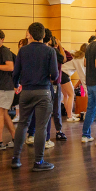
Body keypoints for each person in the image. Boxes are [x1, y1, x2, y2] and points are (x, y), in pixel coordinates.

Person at [11, 22, 59, 172]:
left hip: (26, 92)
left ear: (30, 34)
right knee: (41, 127)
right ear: (44, 35)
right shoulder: (50, 51)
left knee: (22, 124)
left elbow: (15, 73)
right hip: (43, 92)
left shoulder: (23, 51)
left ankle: (16, 159)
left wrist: (16, 84)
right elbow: (55, 75)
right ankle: (38, 162)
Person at [26, 29, 64, 146]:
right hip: (47, 85)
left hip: (30, 86)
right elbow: (62, 61)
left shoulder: (27, 50)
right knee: (49, 111)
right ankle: (46, 139)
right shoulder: (51, 51)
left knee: (33, 112)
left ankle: (32, 135)